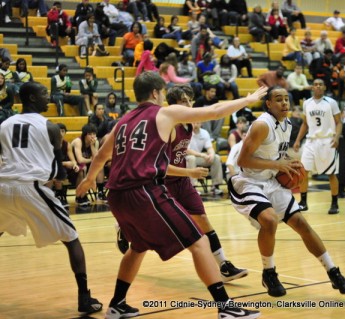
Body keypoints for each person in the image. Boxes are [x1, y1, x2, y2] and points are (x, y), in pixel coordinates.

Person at [76, 71, 266, 319]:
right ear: (156, 93)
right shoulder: (164, 113)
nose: (164, 96)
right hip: (144, 190)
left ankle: (117, 303)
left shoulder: (123, 121)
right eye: (163, 92)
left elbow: (101, 155)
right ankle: (226, 307)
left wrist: (89, 180)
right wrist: (247, 100)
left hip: (116, 195)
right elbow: (215, 110)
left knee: (138, 247)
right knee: (199, 242)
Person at [229, 85, 345, 297]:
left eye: (286, 99)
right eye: (278, 99)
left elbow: (275, 156)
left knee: (301, 223)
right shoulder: (262, 125)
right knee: (269, 220)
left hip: (269, 180)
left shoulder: (286, 124)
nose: (284, 103)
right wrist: (278, 166)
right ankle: (269, 273)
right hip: (247, 181)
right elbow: (243, 160)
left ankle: (333, 271)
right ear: (268, 104)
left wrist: (289, 163)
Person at [116, 84, 248, 282]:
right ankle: (123, 228)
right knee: (152, 234)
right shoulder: (166, 127)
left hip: (182, 183)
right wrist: (190, 171)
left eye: (190, 100)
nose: (188, 105)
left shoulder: (189, 124)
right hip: (162, 183)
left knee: (202, 218)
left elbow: (181, 148)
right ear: (174, 104)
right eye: (183, 101)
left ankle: (224, 265)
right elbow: (161, 165)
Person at [0, 82, 102, 315]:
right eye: (44, 94)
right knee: (71, 237)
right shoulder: (49, 126)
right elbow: (58, 168)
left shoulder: (4, 124)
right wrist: (60, 179)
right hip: (31, 188)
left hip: (3, 187)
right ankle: (85, 299)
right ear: (32, 98)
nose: (48, 98)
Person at [293, 79, 342, 214]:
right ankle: (303, 202)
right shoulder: (307, 103)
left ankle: (334, 203)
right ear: (312, 87)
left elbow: (339, 122)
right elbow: (305, 124)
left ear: (325, 87)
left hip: (327, 141)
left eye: (321, 84)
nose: (318, 86)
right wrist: (298, 140)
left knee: (331, 173)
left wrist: (336, 137)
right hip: (310, 141)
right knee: (303, 171)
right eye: (315, 84)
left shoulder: (331, 102)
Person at [186, 122, 225, 195]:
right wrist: (202, 155)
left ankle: (215, 186)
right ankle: (193, 187)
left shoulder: (204, 133)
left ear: (201, 123)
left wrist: (212, 154)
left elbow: (210, 148)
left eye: (197, 122)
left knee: (216, 158)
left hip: (198, 158)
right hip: (186, 158)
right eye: (193, 122)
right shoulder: (187, 133)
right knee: (191, 158)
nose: (195, 124)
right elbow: (187, 150)